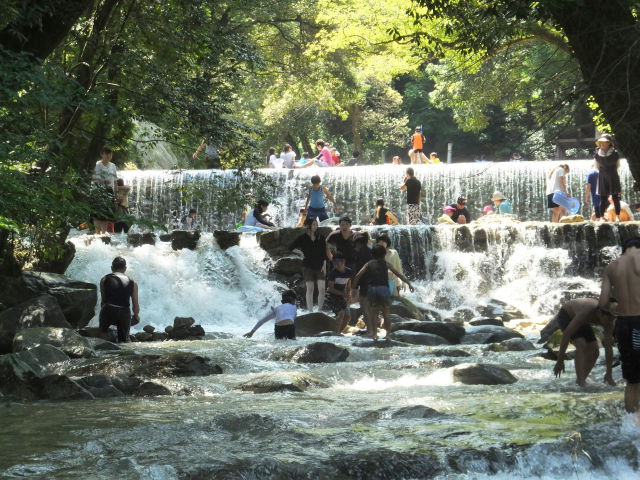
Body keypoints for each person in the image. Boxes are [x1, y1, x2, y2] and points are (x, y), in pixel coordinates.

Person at [599, 237, 640, 417]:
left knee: (632, 380)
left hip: (623, 325)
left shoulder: (612, 267)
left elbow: (602, 303)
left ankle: (631, 424)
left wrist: (614, 307)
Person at [550, 298, 616, 387]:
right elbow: (566, 335)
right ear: (600, 313)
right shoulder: (587, 311)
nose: (610, 322)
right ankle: (581, 382)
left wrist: (609, 374)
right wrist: (560, 361)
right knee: (580, 343)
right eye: (608, 319)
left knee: (595, 350)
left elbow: (608, 347)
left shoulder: (609, 321)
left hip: (582, 320)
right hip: (566, 315)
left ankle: (580, 380)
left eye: (613, 319)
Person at [353, 245, 414, 339]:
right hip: (384, 289)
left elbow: (357, 276)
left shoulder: (368, 264)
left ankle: (374, 334)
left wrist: (354, 289)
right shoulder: (386, 264)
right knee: (386, 313)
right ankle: (388, 334)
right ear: (384, 255)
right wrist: (409, 283)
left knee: (374, 313)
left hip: (372, 289)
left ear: (372, 254)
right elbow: (398, 274)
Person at [289, 217, 328, 312]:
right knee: (310, 289)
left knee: (322, 289)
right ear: (308, 225)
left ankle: (319, 310)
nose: (315, 226)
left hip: (319, 266)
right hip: (307, 266)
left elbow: (324, 253)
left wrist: (325, 265)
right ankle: (310, 311)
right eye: (313, 224)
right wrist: (300, 252)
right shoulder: (302, 238)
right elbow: (291, 247)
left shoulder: (321, 237)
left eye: (316, 224)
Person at [99, 256, 139, 343]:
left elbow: (103, 301)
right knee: (123, 342)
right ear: (125, 268)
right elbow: (135, 304)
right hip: (124, 313)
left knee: (102, 336)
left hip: (108, 310)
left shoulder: (104, 279)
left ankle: (103, 338)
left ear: (112, 268)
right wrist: (136, 316)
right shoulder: (132, 282)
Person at [594, 134, 622, 221]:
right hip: (602, 177)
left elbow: (618, 165)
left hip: (613, 176)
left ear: (609, 143)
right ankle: (602, 217)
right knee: (603, 198)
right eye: (601, 142)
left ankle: (617, 216)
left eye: (604, 142)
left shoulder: (615, 154)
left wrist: (611, 172)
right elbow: (597, 166)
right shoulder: (597, 155)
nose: (602, 144)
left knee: (615, 197)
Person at [91, 147, 118, 234]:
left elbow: (115, 180)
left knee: (106, 215)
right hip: (98, 192)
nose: (108, 156)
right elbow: (94, 178)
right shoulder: (98, 165)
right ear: (102, 154)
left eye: (110, 154)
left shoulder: (113, 166)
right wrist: (104, 181)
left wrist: (116, 193)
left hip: (109, 192)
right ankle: (97, 232)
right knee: (97, 214)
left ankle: (104, 233)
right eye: (106, 154)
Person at [326, 254, 353, 333]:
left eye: (337, 262)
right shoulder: (333, 273)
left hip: (341, 295)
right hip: (331, 295)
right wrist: (344, 294)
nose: (336, 265)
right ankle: (335, 333)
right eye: (334, 263)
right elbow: (331, 288)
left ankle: (339, 332)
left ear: (343, 262)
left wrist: (349, 295)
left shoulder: (349, 271)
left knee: (348, 316)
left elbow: (349, 284)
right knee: (341, 314)